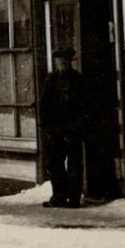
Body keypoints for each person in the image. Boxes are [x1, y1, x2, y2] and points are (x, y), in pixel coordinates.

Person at [39, 46, 87, 208]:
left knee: (74, 163)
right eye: (60, 61)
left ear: (70, 62)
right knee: (55, 164)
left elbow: (85, 105)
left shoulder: (78, 80)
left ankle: (73, 199)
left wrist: (79, 125)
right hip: (54, 129)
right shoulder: (50, 80)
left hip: (73, 128)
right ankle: (58, 196)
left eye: (65, 61)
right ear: (56, 63)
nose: (62, 63)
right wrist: (45, 125)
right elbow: (44, 103)